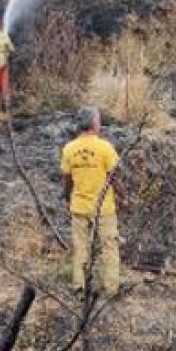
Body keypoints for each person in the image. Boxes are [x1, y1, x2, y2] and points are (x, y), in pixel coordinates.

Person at [59, 106, 121, 295]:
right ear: (95, 123)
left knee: (80, 247)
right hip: (103, 207)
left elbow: (67, 179)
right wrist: (123, 197)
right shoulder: (105, 148)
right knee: (109, 247)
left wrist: (67, 198)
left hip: (79, 206)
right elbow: (114, 177)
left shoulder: (69, 148)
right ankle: (111, 288)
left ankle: (79, 287)